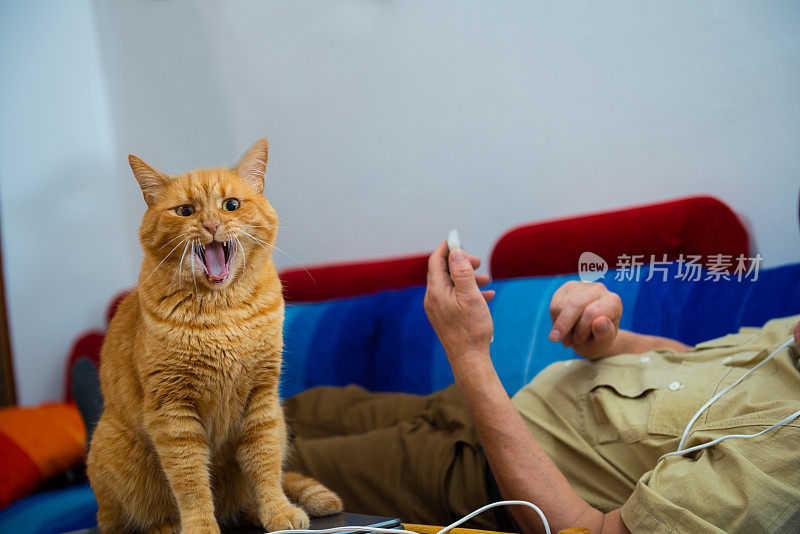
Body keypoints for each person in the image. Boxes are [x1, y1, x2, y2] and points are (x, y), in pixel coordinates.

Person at [285, 241, 800, 533]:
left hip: (475, 474)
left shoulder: (785, 459)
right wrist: (609, 337)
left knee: (250, 469)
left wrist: (467, 358)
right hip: (479, 407)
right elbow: (692, 368)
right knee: (288, 410)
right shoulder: (787, 338)